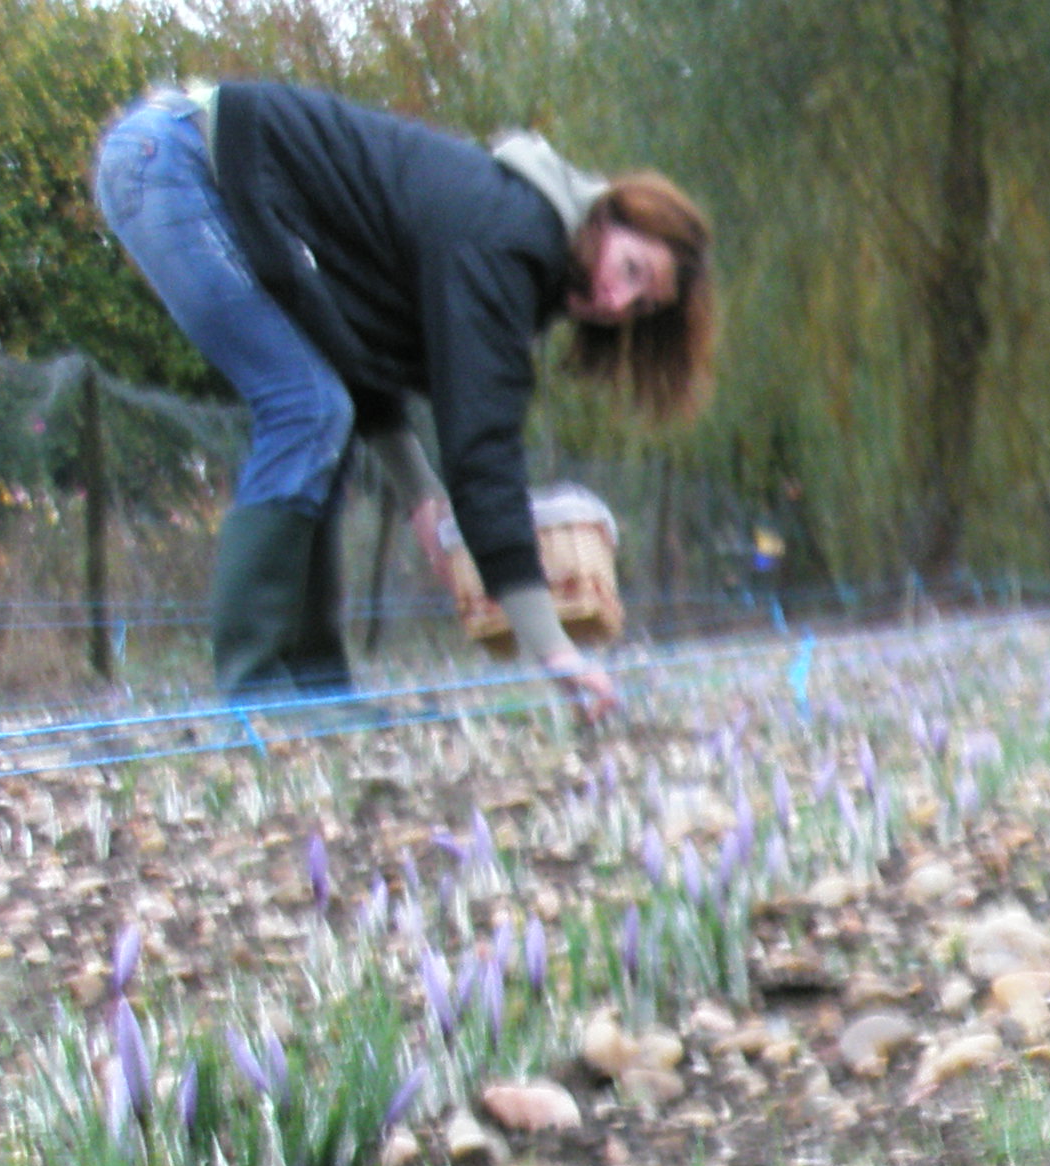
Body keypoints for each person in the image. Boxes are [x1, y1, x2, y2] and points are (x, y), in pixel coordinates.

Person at [90, 80, 714, 715]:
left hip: (193, 167)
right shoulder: (507, 236)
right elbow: (483, 448)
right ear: (607, 217)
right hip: (178, 160)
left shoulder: (510, 239)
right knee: (307, 408)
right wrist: (553, 648)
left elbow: (351, 351)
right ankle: (255, 692)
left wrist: (420, 497)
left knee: (320, 416)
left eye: (640, 306)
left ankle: (316, 688)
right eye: (630, 270)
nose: (616, 302)